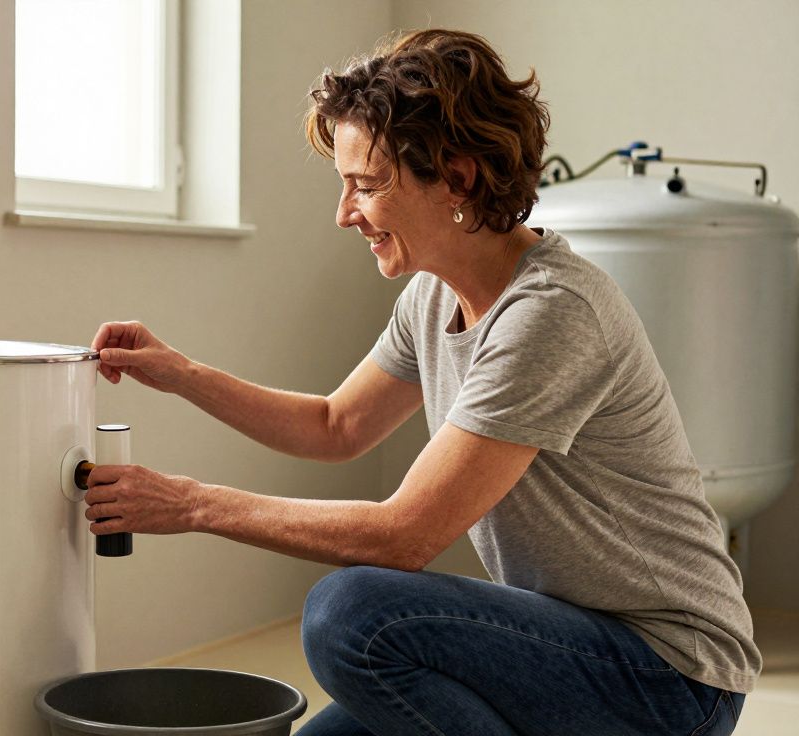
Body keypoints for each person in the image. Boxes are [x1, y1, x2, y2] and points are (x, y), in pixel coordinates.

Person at [85, 29, 759, 736]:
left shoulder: (552, 315)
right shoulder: (434, 298)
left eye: (366, 186)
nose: (345, 213)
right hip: (559, 641)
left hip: (669, 679)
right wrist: (184, 375)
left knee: (350, 615)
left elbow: (403, 537)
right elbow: (335, 426)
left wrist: (190, 504)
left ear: (458, 179)